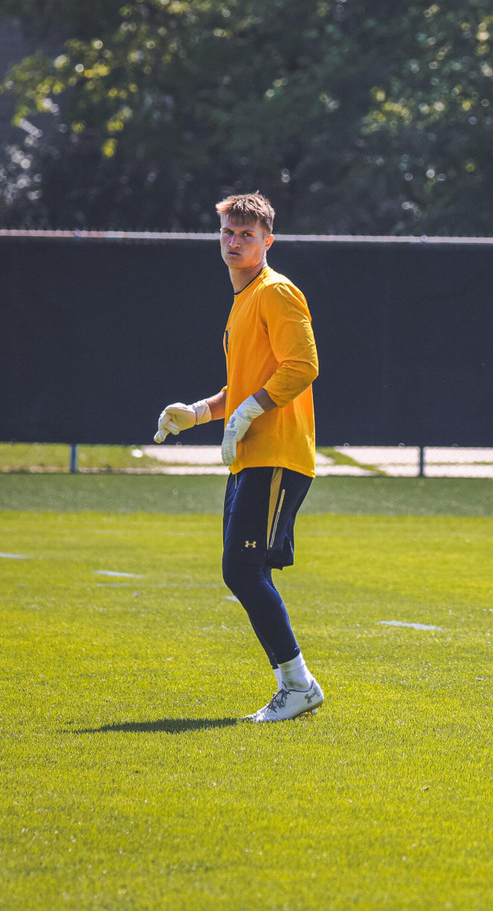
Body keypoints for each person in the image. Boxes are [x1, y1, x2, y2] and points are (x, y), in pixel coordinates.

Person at [154, 191, 324, 722]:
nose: (234, 242)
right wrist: (198, 412)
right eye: (228, 232)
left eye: (246, 235)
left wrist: (249, 411)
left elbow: (303, 366)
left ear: (267, 241)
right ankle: (294, 685)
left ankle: (298, 685)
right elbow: (245, 384)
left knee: (243, 569)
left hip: (276, 452)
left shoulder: (276, 291)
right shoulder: (244, 298)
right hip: (250, 454)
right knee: (246, 570)